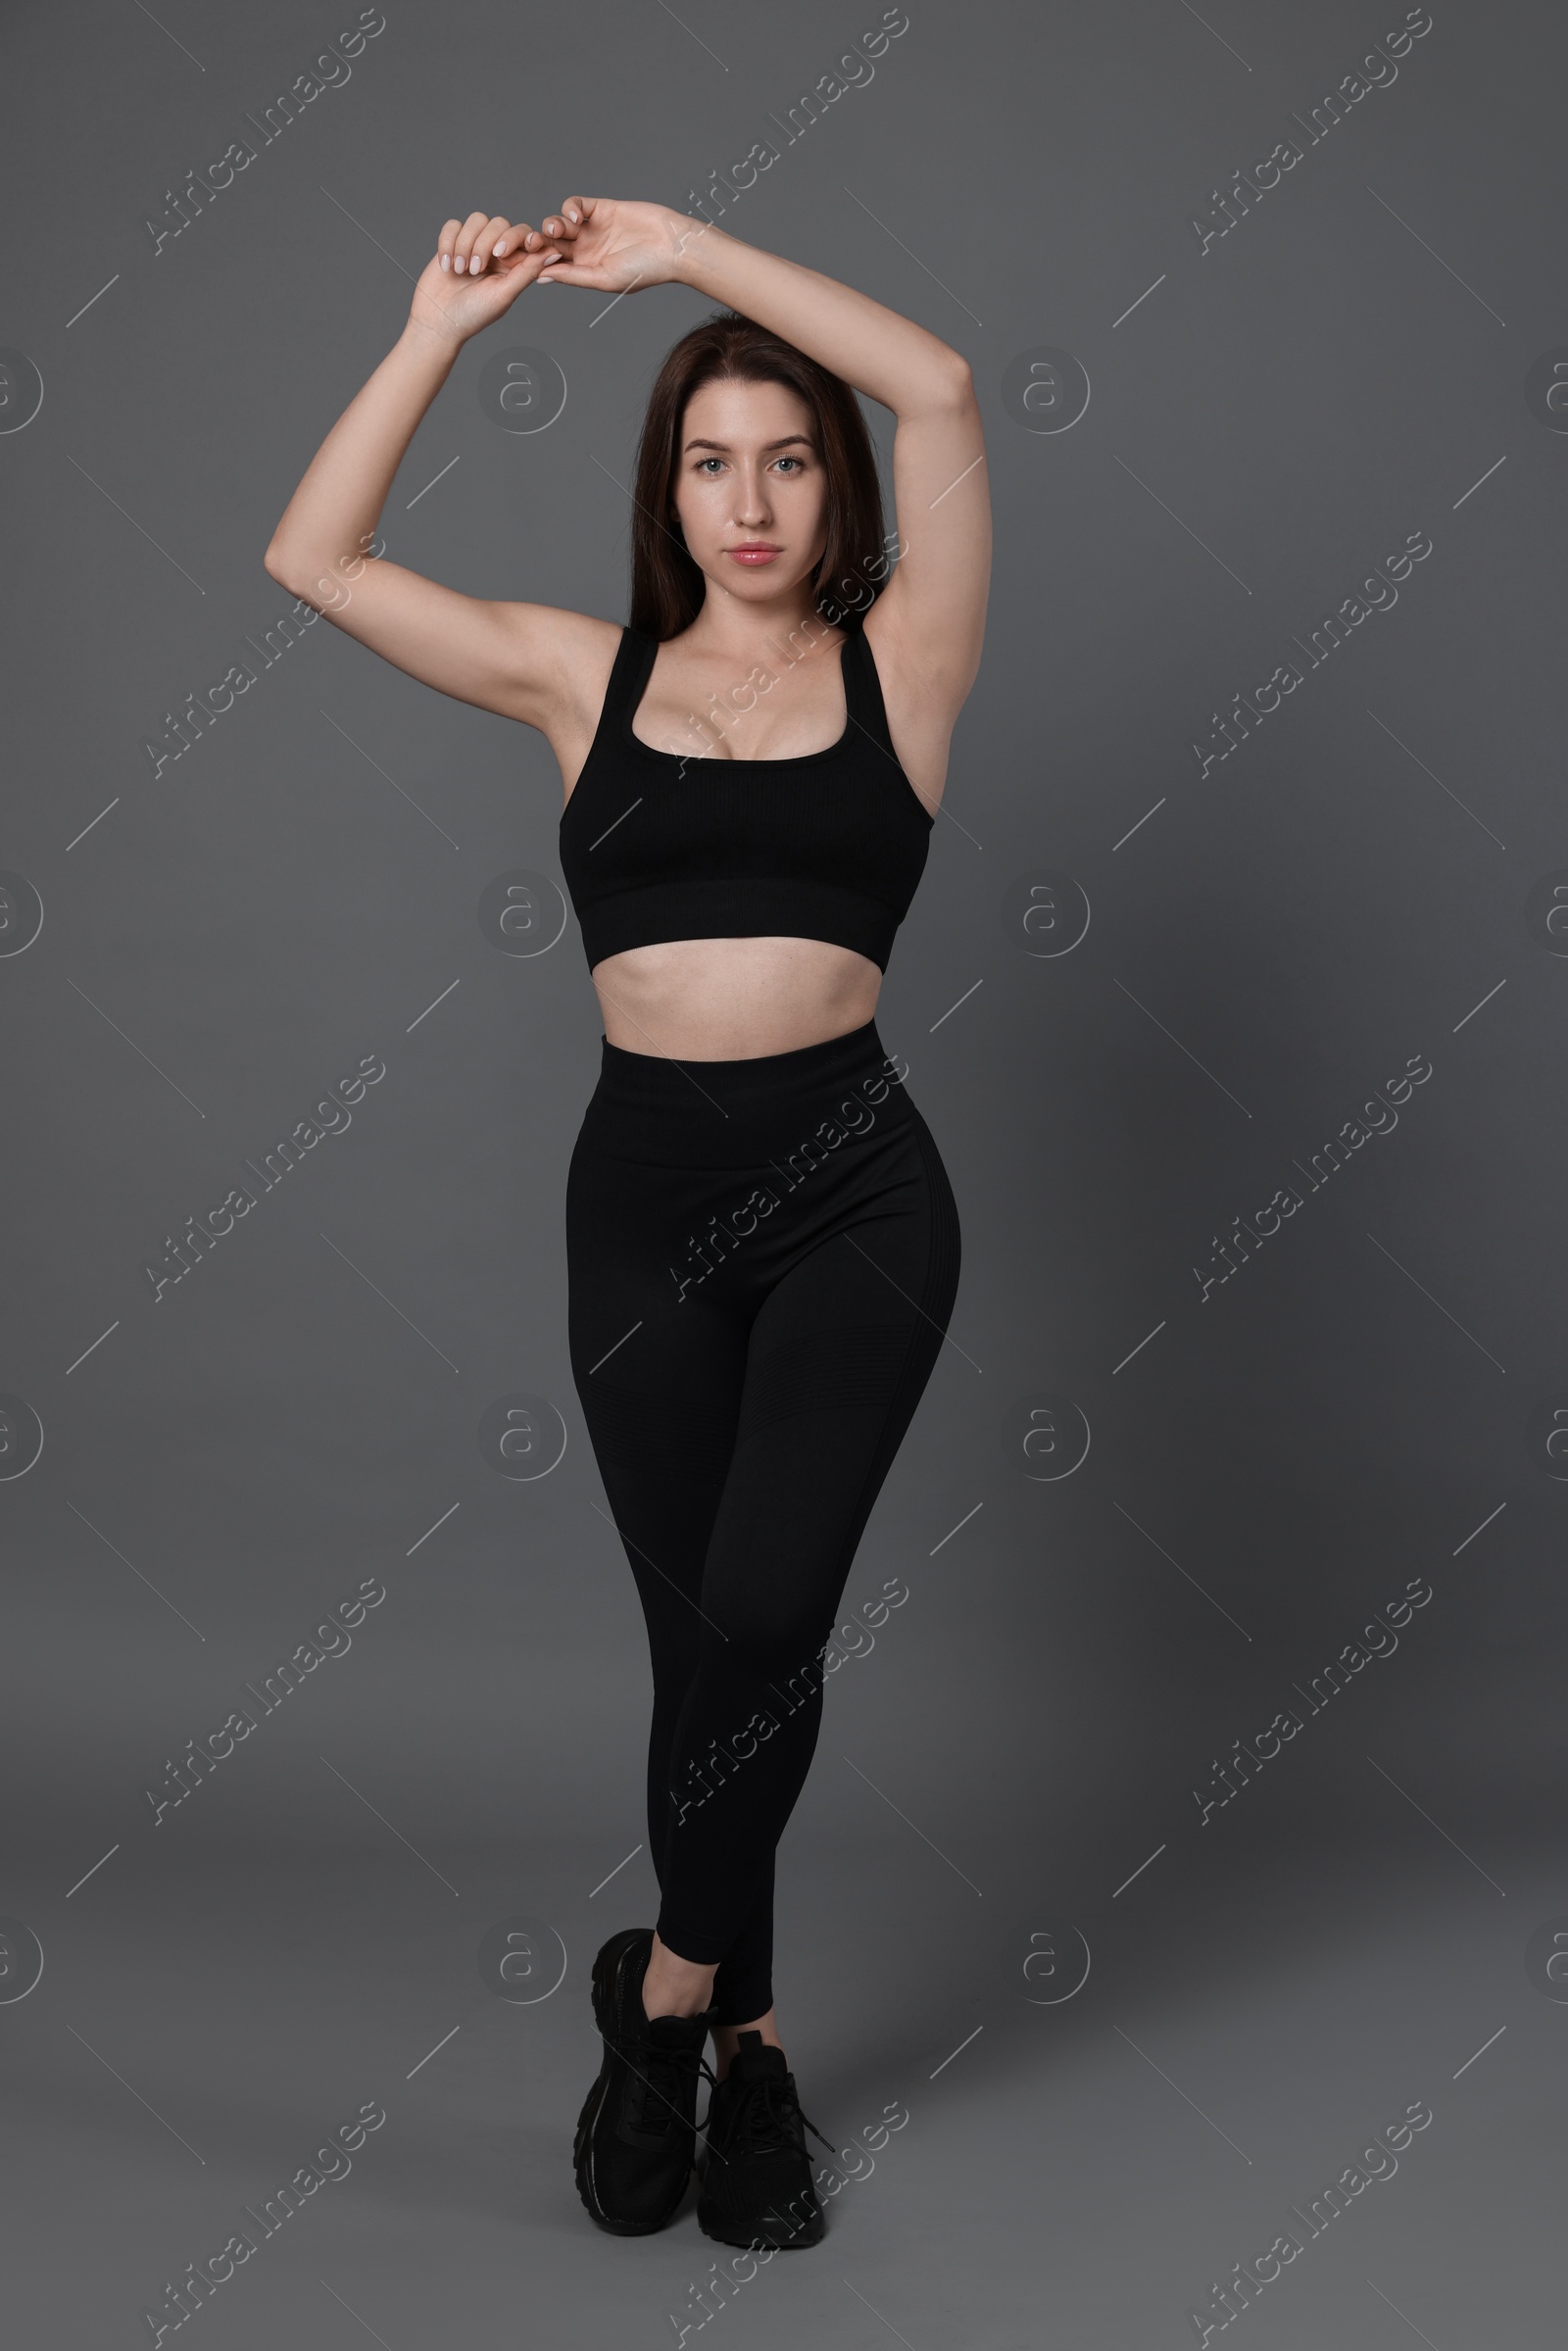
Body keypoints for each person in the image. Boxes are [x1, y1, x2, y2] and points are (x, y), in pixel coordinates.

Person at [264, 193, 990, 2252]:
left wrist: (686, 252)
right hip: (645, 1205)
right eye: (705, 460)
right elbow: (311, 559)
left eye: (782, 458)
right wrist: (431, 326)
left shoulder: (902, 667)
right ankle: (750, 2050)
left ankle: (658, 1995)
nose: (747, 497)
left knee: (764, 1615)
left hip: (858, 1187)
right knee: (702, 1655)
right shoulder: (578, 679)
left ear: (826, 484)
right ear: (661, 493)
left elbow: (931, 379)